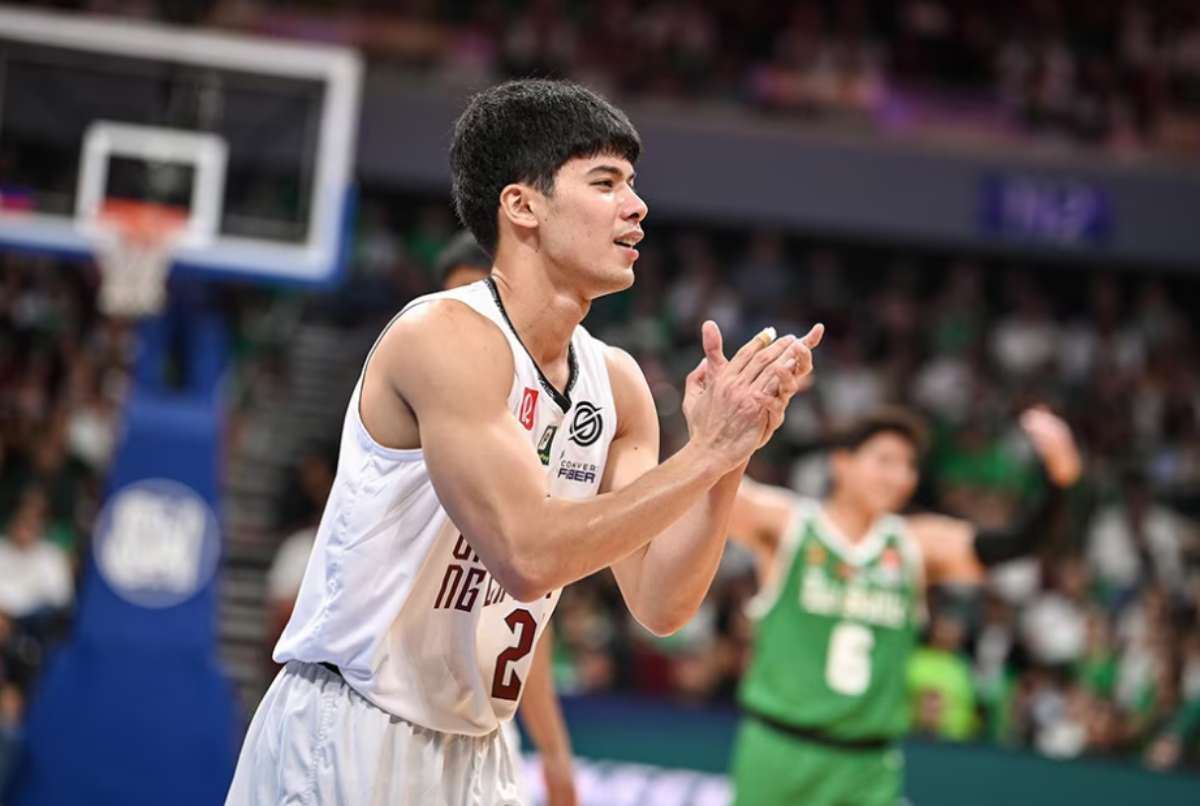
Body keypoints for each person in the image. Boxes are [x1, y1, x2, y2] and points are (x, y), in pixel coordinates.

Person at [226, 78, 823, 805]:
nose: (636, 208)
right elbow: (528, 555)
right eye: (605, 183)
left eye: (632, 185)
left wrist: (730, 454)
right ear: (522, 205)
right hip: (353, 727)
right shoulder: (442, 336)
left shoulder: (619, 382)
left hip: (478, 747)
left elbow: (663, 603)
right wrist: (701, 455)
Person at [727, 405, 1081, 806]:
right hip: (779, 749)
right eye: (885, 461)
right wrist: (739, 411)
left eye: (909, 465)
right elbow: (711, 483)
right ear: (841, 463)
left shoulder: (916, 544)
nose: (899, 476)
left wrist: (1060, 481)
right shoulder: (789, 524)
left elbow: (1016, 543)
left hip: (868, 763)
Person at [437, 229, 579, 805]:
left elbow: (525, 627)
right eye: (455, 307)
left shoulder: (558, 422)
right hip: (381, 711)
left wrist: (554, 748)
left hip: (484, 728)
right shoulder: (416, 399)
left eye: (483, 305)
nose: (470, 329)